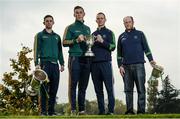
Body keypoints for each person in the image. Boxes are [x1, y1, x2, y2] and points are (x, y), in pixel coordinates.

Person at [117, 16, 156, 114]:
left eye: (129, 22)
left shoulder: (140, 34)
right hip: (126, 67)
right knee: (128, 90)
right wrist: (120, 66)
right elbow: (119, 54)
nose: (127, 23)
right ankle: (129, 110)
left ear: (133, 22)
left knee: (141, 89)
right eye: (125, 22)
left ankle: (141, 111)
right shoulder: (121, 36)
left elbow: (146, 48)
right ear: (124, 24)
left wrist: (151, 60)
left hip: (139, 65)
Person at [33, 15, 64, 116]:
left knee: (54, 89)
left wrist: (62, 63)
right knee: (44, 89)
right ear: (44, 23)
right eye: (47, 21)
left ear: (53, 22)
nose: (49, 22)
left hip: (55, 65)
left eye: (51, 21)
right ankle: (43, 112)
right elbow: (36, 50)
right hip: (44, 64)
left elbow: (60, 51)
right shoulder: (40, 35)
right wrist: (37, 64)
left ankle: (51, 111)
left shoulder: (57, 36)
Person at [63, 6, 91, 115]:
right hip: (74, 57)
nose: (79, 14)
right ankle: (73, 109)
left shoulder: (88, 28)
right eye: (77, 13)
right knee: (73, 84)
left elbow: (89, 44)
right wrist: (76, 40)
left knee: (83, 86)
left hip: (86, 58)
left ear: (84, 14)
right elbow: (64, 42)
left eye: (80, 12)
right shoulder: (70, 27)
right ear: (74, 15)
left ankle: (82, 110)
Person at [91, 12, 115, 115]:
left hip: (106, 63)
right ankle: (101, 111)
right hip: (94, 64)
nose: (100, 20)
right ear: (96, 20)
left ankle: (110, 111)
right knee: (98, 89)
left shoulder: (110, 32)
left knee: (109, 88)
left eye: (102, 18)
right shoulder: (92, 34)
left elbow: (113, 47)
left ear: (105, 20)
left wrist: (102, 41)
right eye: (98, 18)